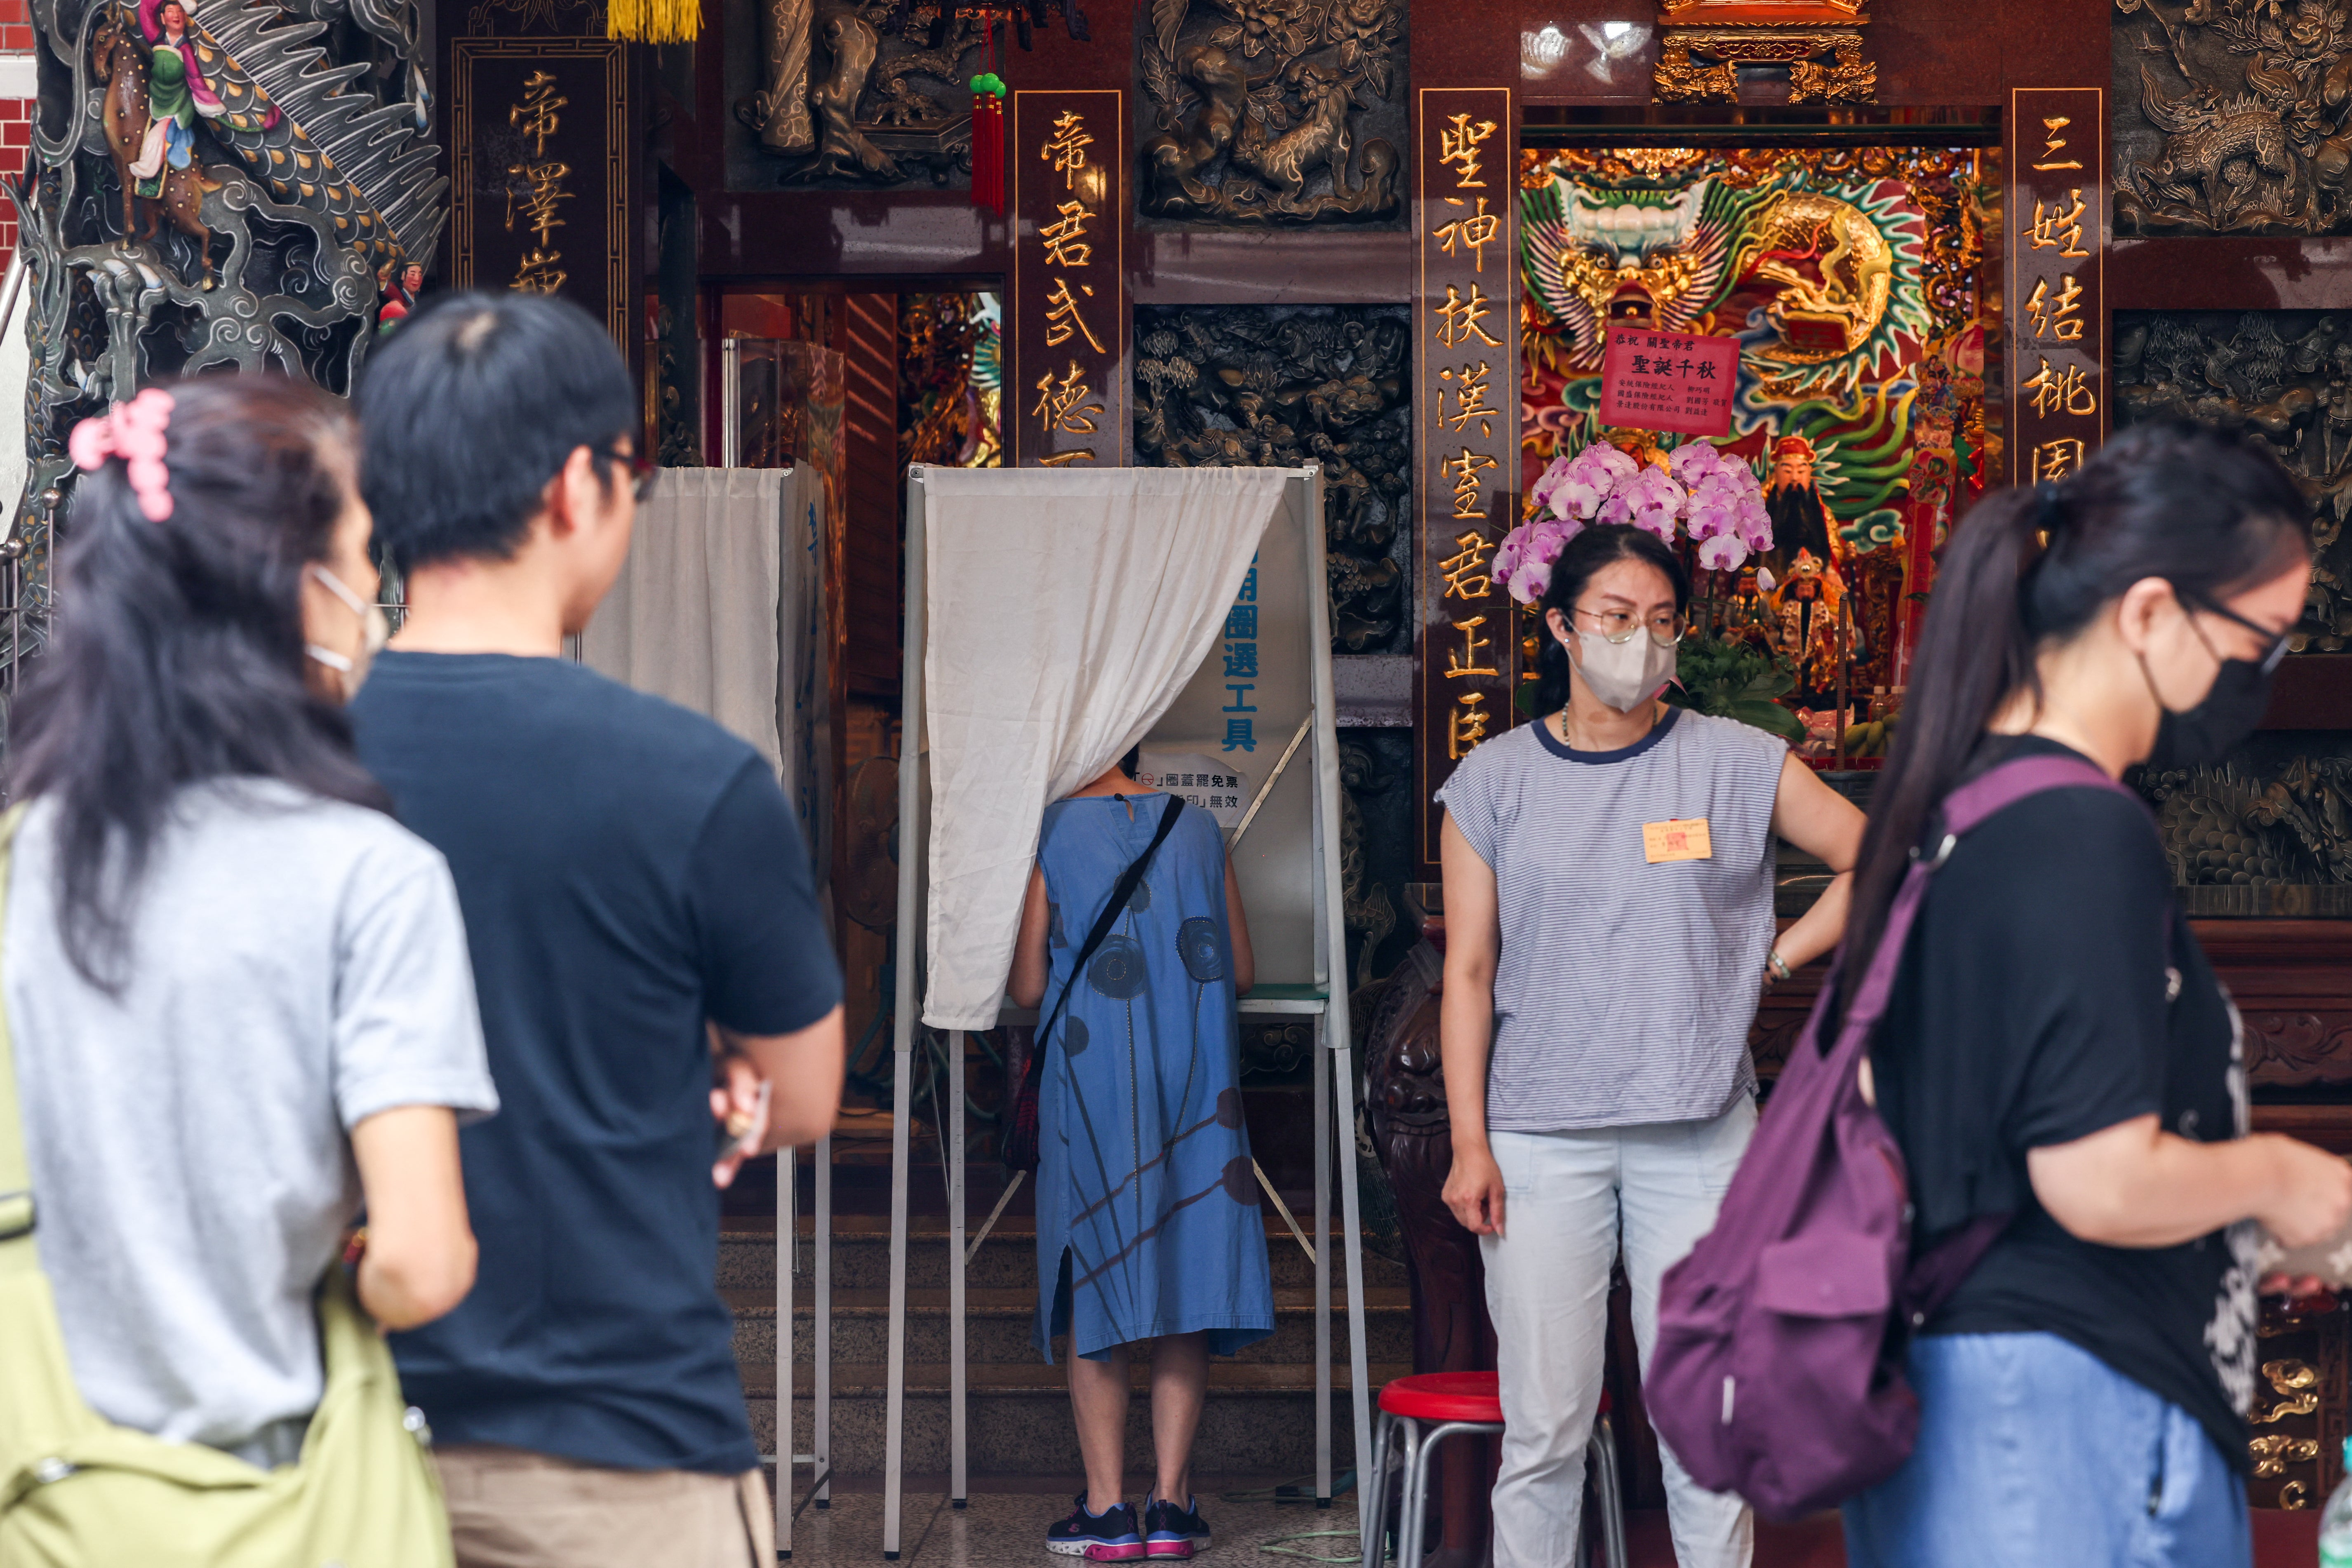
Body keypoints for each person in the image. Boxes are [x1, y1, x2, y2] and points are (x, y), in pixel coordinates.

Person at [349, 292, 847, 1568]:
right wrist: (715, 1079)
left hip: (325, 1444)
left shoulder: (280, 762)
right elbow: (799, 1093)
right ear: (579, 487)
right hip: (618, 1453)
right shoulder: (694, 780)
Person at [1840, 423, 2352, 1566]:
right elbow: (2095, 1178)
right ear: (2151, 613)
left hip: (1987, 1397)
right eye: (2260, 638)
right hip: (2069, 1415)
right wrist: (2290, 1173)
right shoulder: (2079, 829)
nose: (2262, 677)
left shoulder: (1965, 809)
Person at [7, 378, 493, 1469]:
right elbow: (423, 1264)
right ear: (291, 583)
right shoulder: (371, 877)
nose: (376, 590)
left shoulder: (21, 860)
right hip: (269, 1490)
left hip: (41, 1494)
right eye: (365, 552)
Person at [1437, 522, 1866, 1568]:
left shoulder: (1733, 760)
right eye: (1616, 620)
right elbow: (1468, 972)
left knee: (1704, 1427)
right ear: (1561, 627)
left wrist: (1778, 954)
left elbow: (1886, 858)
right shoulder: (1493, 781)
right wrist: (1468, 1143)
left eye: (1662, 621)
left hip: (1701, 1138)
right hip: (1538, 1140)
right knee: (1543, 1429)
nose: (1641, 642)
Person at [1006, 746, 1273, 1561]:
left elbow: (1024, 988)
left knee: (1098, 1271)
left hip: (1095, 1080)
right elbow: (1241, 970)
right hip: (1195, 1082)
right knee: (1186, 1271)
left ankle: (1104, 1511)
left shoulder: (1050, 832)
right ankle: (1168, 1506)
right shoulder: (1196, 827)